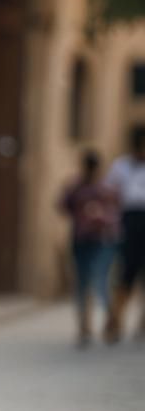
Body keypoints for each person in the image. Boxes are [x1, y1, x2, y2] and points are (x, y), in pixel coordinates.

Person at [57, 150, 119, 347]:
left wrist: (99, 216)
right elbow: (63, 206)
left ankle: (110, 322)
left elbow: (116, 215)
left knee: (99, 281)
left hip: (101, 241)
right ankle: (85, 327)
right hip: (82, 240)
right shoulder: (77, 188)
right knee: (83, 282)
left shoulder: (105, 189)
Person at [102, 126, 145, 343]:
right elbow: (108, 192)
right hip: (130, 220)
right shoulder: (121, 166)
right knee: (126, 273)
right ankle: (115, 321)